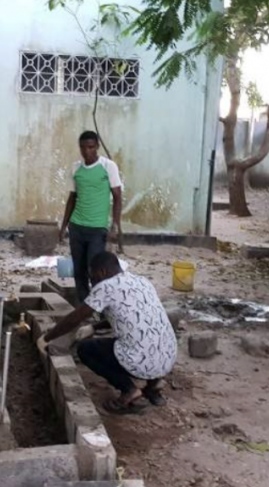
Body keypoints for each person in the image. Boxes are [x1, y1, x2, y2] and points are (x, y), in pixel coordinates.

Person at [39, 252, 177, 414]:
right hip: (168, 357)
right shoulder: (142, 281)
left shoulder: (105, 287)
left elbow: (75, 318)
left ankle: (129, 390)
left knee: (86, 349)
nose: (92, 282)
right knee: (145, 339)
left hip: (141, 362)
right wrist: (94, 327)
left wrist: (47, 338)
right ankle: (153, 386)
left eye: (92, 277)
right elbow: (132, 317)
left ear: (102, 272)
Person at [58, 131, 123, 303]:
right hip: (76, 227)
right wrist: (63, 226)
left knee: (96, 270)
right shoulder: (76, 168)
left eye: (91, 147)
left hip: (97, 228)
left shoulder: (108, 166)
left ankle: (99, 308)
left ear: (97, 147)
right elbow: (72, 198)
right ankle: (83, 307)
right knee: (78, 271)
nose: (87, 151)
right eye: (83, 147)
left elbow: (117, 196)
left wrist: (115, 226)